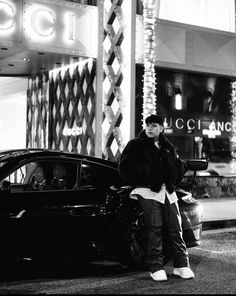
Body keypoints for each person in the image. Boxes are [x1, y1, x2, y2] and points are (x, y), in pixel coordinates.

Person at [118, 114, 194, 281]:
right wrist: (145, 172)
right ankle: (155, 267)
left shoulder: (168, 146)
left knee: (176, 228)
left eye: (154, 125)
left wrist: (174, 177)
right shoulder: (135, 145)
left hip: (168, 191)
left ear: (161, 128)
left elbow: (178, 166)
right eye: (148, 125)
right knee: (155, 227)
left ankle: (182, 265)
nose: (150, 128)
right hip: (147, 190)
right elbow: (124, 167)